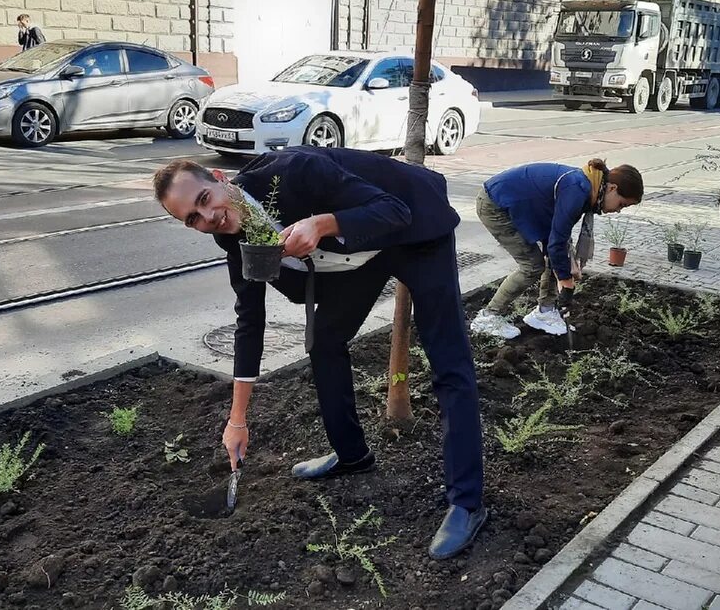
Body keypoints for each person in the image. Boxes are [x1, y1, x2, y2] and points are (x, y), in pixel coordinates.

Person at [154, 147, 487, 559]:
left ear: (220, 179)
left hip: (411, 227)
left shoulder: (295, 171)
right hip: (357, 258)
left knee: (448, 360)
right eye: (192, 219)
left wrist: (322, 224)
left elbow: (393, 209)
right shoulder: (232, 237)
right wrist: (237, 420)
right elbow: (249, 322)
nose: (208, 218)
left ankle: (467, 502)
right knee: (324, 341)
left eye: (204, 200)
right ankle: (352, 455)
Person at [471, 159, 644, 340]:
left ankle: (544, 312)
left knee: (557, 257)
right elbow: (556, 242)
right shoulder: (578, 190)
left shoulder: (589, 187)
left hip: (521, 204)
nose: (618, 211)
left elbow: (557, 240)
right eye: (622, 205)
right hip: (495, 204)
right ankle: (488, 317)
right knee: (532, 266)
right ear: (612, 189)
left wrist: (567, 265)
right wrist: (565, 279)